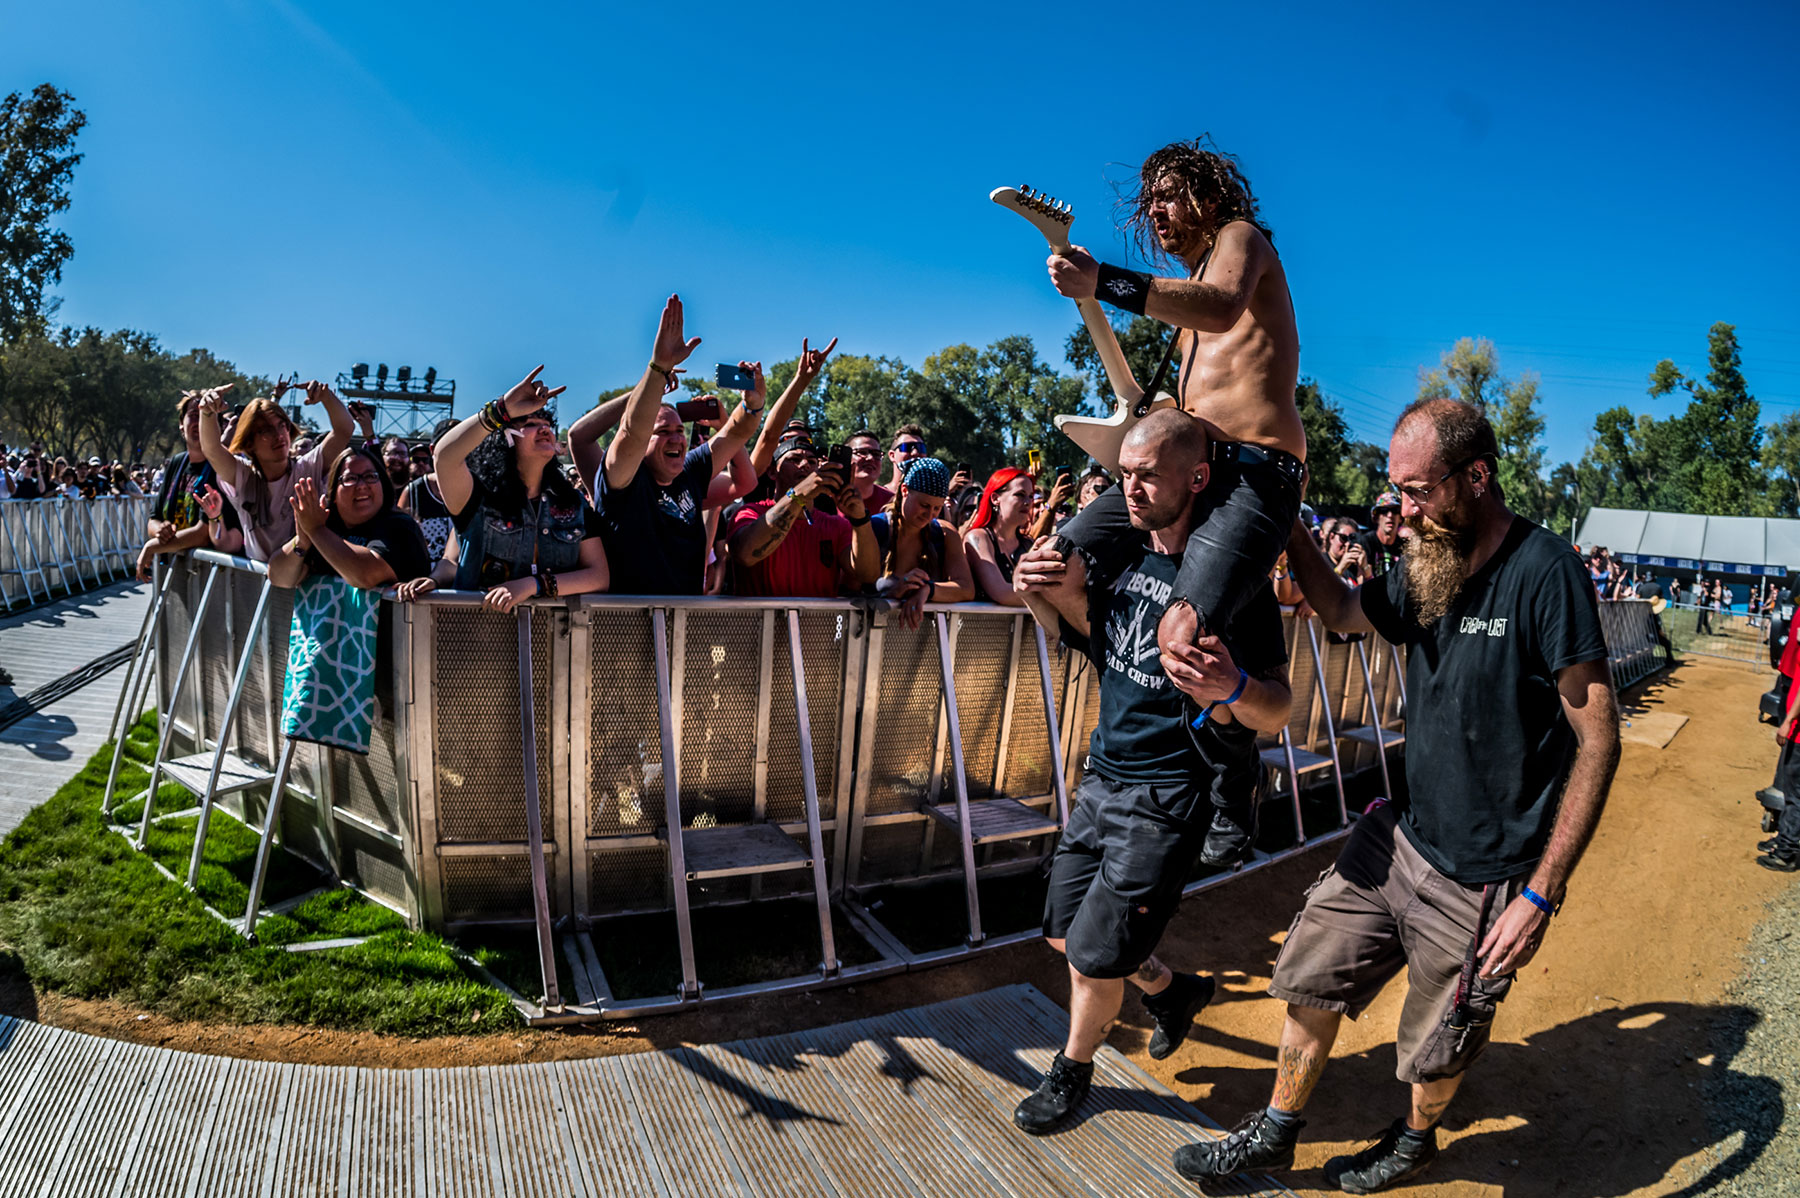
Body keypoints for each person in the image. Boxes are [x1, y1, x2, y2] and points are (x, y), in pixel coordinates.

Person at [1174, 398, 1620, 1193]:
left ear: (1476, 476)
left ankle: (1415, 1140)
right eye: (1396, 492)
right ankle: (1277, 1129)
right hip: (1399, 841)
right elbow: (1344, 611)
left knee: (1435, 1050)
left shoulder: (1545, 571)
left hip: (1486, 876)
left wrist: (1541, 896)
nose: (1400, 511)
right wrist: (1286, 521)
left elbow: (1598, 737)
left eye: (1416, 492)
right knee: (1312, 972)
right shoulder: (1428, 566)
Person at [1008, 409, 1293, 1134]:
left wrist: (1232, 688)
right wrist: (1039, 585)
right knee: (1060, 935)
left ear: (1197, 479)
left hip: (1169, 796)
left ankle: (1071, 1072)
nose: (1130, 490)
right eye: (1123, 475)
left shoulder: (1230, 584)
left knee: (1094, 962)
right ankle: (1169, 991)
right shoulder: (1119, 556)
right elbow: (1089, 636)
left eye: (1148, 476)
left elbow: (1278, 709)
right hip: (1103, 776)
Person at [1044, 137, 1306, 668]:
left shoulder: (1241, 237)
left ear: (1208, 198)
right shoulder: (1188, 288)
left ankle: (1223, 739)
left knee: (1185, 629)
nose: (1155, 210)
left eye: (1167, 195)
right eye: (1149, 202)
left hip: (1252, 474)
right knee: (1054, 568)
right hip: (1187, 470)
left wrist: (1103, 281)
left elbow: (1222, 307)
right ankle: (1126, 679)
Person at [569, 295, 769, 596]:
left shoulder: (689, 470)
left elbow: (736, 434)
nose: (677, 438)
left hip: (684, 622)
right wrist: (657, 368)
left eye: (680, 430)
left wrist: (753, 404)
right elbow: (631, 433)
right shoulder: (622, 480)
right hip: (625, 626)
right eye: (663, 431)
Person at [429, 366, 609, 610]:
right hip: (479, 638)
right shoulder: (478, 499)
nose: (544, 429)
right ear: (507, 438)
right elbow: (444, 457)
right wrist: (501, 410)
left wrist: (533, 585)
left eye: (547, 424)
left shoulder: (573, 503)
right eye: (531, 423)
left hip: (555, 640)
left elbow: (599, 576)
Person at [198, 380, 353, 561]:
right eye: (266, 430)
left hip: (304, 584)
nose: (279, 435)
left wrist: (327, 397)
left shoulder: (308, 467)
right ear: (249, 442)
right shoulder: (243, 475)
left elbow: (344, 429)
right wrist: (207, 412)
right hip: (257, 584)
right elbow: (212, 449)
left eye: (282, 425)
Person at [728, 431, 876, 597]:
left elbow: (867, 575)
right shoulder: (750, 513)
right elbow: (745, 555)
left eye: (812, 461)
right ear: (772, 472)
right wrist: (798, 495)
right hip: (761, 623)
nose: (805, 464)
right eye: (794, 459)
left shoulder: (836, 525)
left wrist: (860, 519)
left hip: (817, 623)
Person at [266, 447, 433, 591]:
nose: (361, 485)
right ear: (334, 493)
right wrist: (302, 542)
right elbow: (279, 578)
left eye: (370, 476)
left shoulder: (401, 527)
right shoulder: (326, 524)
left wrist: (316, 531)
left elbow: (365, 575)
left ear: (382, 484)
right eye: (350, 479)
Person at [137, 393, 246, 578]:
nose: (198, 422)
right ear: (181, 424)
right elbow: (153, 518)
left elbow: (203, 533)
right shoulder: (177, 463)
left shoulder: (223, 467)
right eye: (193, 415)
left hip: (214, 578)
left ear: (217, 427)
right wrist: (161, 531)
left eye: (205, 416)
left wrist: (154, 545)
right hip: (175, 574)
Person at [870, 457, 975, 628]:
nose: (930, 514)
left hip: (921, 642)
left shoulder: (945, 533)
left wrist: (928, 589)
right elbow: (848, 588)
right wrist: (892, 591)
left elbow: (966, 588)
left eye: (937, 508)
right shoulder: (875, 528)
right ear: (904, 490)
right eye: (924, 505)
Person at [962, 467, 1036, 606]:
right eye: (1020, 494)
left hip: (1026, 627)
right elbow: (1001, 593)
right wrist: (1049, 599)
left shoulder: (1028, 543)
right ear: (996, 498)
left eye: (1031, 496)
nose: (1028, 502)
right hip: (980, 626)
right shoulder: (978, 538)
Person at [1356, 492, 1404, 577]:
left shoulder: (1404, 547)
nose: (1390, 515)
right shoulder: (1366, 542)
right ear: (1376, 517)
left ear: (1400, 518)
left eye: (1395, 511)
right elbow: (1361, 579)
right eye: (1384, 511)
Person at [844, 429, 891, 512]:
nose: (870, 458)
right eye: (862, 452)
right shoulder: (827, 499)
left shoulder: (891, 503)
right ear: (846, 457)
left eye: (876, 454)